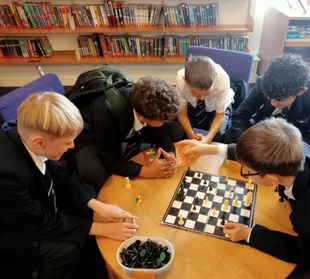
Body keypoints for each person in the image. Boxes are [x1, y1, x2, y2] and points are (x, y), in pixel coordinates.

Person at [176, 118, 310, 279]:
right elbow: (256, 156)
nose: (245, 172)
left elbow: (303, 254)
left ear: (271, 179)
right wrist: (208, 149)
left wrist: (250, 234)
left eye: (248, 172)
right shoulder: (294, 147)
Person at [0, 92, 139, 279]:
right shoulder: (8, 174)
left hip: (35, 208)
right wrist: (103, 229)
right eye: (67, 142)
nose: (73, 146)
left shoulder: (30, 136)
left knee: (86, 215)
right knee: (67, 247)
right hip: (13, 231)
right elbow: (39, 223)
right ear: (39, 143)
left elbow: (62, 177)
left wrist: (97, 205)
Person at [74, 76, 184, 191]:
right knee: (95, 172)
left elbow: (162, 131)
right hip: (91, 133)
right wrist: (149, 172)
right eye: (162, 121)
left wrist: (170, 153)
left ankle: (132, 138)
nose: (164, 123)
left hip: (127, 123)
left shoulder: (146, 104)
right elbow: (111, 161)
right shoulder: (108, 112)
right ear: (141, 116)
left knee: (175, 131)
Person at [223, 53, 310, 153]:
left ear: (301, 91)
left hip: (295, 143)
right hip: (263, 134)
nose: (273, 103)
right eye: (269, 97)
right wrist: (248, 140)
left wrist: (278, 146)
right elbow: (240, 115)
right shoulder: (263, 82)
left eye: (279, 100)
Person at [176, 55, 235, 143]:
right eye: (195, 93)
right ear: (185, 80)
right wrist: (191, 136)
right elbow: (181, 113)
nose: (202, 97)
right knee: (181, 133)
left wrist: (208, 138)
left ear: (215, 78)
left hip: (217, 106)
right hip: (193, 104)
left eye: (207, 92)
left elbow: (220, 115)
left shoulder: (223, 79)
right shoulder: (181, 79)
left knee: (218, 137)